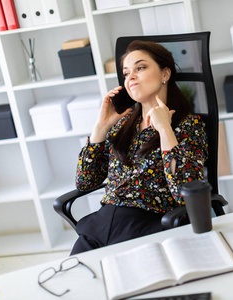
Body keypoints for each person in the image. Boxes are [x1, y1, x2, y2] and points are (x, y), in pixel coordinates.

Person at [70, 40, 208, 255]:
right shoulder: (122, 126)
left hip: (147, 226)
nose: (130, 77)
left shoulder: (187, 125)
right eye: (126, 73)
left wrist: (164, 130)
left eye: (140, 68)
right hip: (100, 226)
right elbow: (85, 182)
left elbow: (185, 193)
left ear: (165, 74)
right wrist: (101, 128)